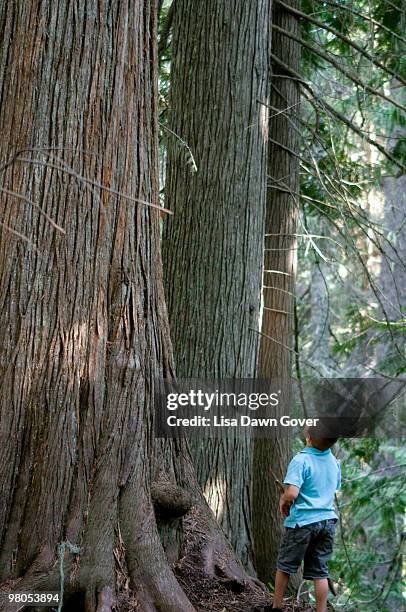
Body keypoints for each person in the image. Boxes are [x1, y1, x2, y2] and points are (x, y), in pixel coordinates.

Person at [270, 427, 340, 612]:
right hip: (328, 521)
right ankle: (321, 610)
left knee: (285, 565)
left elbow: (292, 493)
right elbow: (333, 487)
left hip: (303, 523)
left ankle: (276, 606)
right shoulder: (334, 461)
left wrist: (283, 499)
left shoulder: (301, 459)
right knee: (320, 572)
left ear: (308, 436)